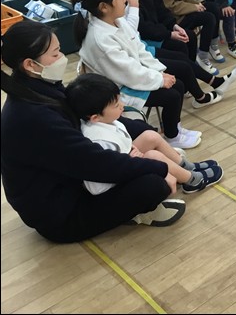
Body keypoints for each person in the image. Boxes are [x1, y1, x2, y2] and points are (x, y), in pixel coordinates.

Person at [1, 20, 185, 242]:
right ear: (30, 64)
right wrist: (159, 168)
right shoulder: (32, 116)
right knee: (154, 184)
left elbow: (86, 119)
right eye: (55, 54)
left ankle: (181, 169)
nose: (62, 58)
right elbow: (95, 164)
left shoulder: (39, 88)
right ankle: (143, 208)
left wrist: (141, 138)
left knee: (140, 133)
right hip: (61, 216)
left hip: (71, 179)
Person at [73, 0, 202, 149]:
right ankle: (173, 136)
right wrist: (158, 79)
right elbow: (128, 71)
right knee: (171, 95)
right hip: (119, 88)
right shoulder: (100, 39)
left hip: (130, 77)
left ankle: (174, 130)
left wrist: (159, 71)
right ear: (104, 7)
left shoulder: (116, 21)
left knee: (177, 84)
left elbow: (139, 49)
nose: (124, 0)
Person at [66, 73, 223, 195]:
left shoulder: (102, 121)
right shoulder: (99, 139)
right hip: (111, 183)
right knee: (153, 156)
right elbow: (107, 174)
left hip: (124, 161)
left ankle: (186, 167)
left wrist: (130, 152)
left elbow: (120, 150)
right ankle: (192, 180)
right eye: (116, 105)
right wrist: (130, 158)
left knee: (150, 136)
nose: (122, 105)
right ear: (95, 117)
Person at [115, 0, 236, 99]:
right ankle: (200, 85)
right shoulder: (129, 1)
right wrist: (169, 34)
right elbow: (144, 29)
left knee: (189, 37)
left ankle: (192, 82)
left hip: (158, 34)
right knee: (181, 51)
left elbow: (164, 14)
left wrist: (174, 27)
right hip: (147, 41)